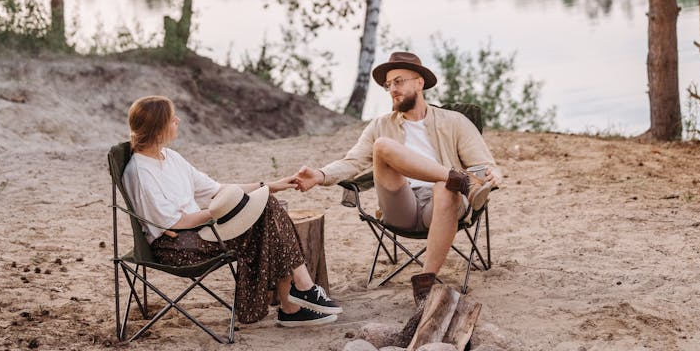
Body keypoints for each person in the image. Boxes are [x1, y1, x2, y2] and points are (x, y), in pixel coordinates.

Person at [293, 50, 502, 304]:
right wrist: (320, 175)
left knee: (445, 187)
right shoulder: (380, 125)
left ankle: (426, 280)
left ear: (419, 82)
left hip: (442, 206)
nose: (392, 89)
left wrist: (493, 175)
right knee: (382, 146)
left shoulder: (454, 121)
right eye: (388, 84)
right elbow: (353, 161)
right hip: (400, 204)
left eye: (399, 81)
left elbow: (485, 165)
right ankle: (458, 179)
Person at [123, 95, 342, 327]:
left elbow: (217, 190)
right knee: (263, 223)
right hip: (174, 246)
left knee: (266, 204)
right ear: (158, 129)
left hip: (197, 230)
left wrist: (270, 185)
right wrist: (222, 210)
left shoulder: (171, 157)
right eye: (171, 118)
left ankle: (296, 298)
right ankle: (296, 299)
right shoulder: (139, 172)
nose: (177, 120)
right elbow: (174, 223)